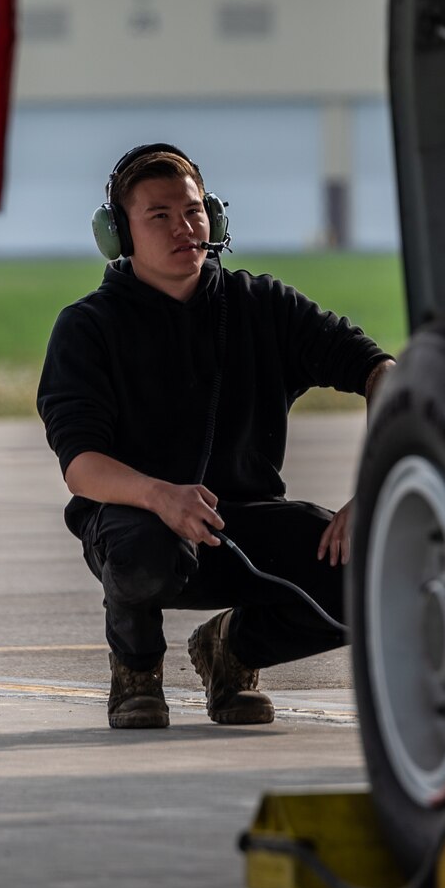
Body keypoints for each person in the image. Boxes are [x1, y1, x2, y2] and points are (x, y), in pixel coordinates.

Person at [37, 144, 394, 728]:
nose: (185, 227)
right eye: (159, 216)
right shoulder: (87, 328)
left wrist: (377, 482)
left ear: (216, 217)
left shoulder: (263, 306)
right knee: (143, 549)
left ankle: (232, 651)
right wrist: (160, 495)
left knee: (376, 573)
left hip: (243, 523)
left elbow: (382, 373)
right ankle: (136, 670)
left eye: (195, 210)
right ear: (119, 234)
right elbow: (81, 465)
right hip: (138, 521)